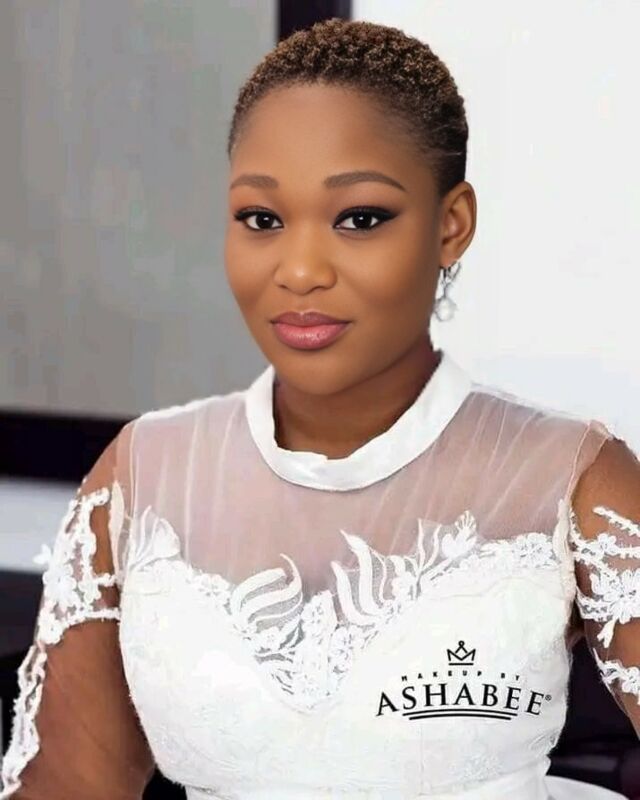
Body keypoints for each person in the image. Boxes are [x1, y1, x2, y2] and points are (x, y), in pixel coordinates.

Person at [1, 17, 639, 800]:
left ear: (451, 225)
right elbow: (70, 785)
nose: (300, 270)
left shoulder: (573, 478)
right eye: (262, 220)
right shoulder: (143, 478)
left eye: (360, 218)